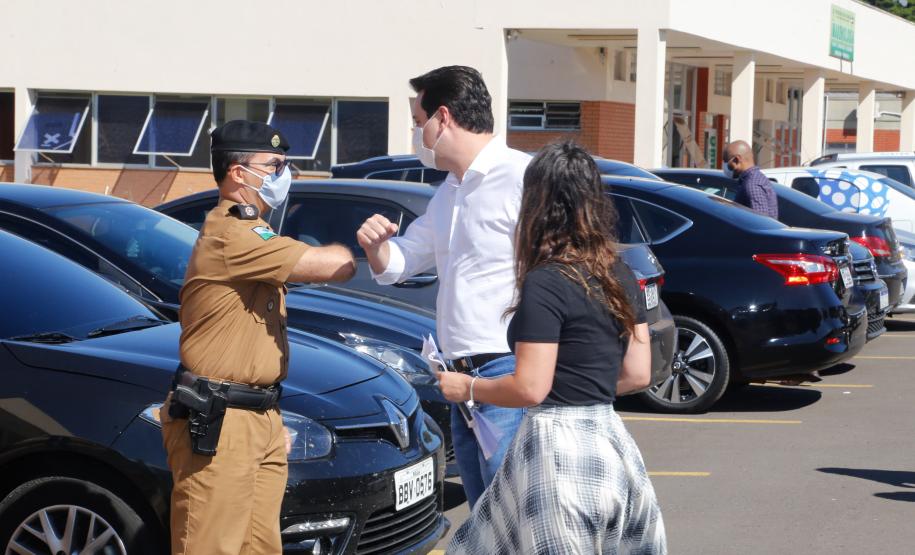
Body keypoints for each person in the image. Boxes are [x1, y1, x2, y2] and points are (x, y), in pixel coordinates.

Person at [438, 141, 667, 554]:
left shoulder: (546, 281)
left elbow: (530, 387)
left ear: (537, 204)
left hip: (555, 450)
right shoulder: (619, 272)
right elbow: (638, 373)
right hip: (610, 441)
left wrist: (466, 388)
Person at [161, 120, 356, 555]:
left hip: (255, 416)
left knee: (259, 546)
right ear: (237, 173)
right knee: (211, 546)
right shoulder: (233, 234)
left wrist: (265, 416)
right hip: (220, 420)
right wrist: (356, 249)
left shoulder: (253, 232)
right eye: (274, 165)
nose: (282, 174)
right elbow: (332, 265)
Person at [356, 65, 531, 508]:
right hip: (459, 380)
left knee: (513, 516)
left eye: (419, 123)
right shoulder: (450, 190)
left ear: (444, 118)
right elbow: (402, 259)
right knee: (485, 519)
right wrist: (376, 247)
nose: (418, 135)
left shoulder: (522, 178)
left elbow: (557, 272)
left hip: (504, 376)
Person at [723, 139, 779, 218]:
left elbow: (760, 222)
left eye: (726, 161)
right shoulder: (756, 179)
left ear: (736, 160)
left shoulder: (752, 185)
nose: (724, 165)